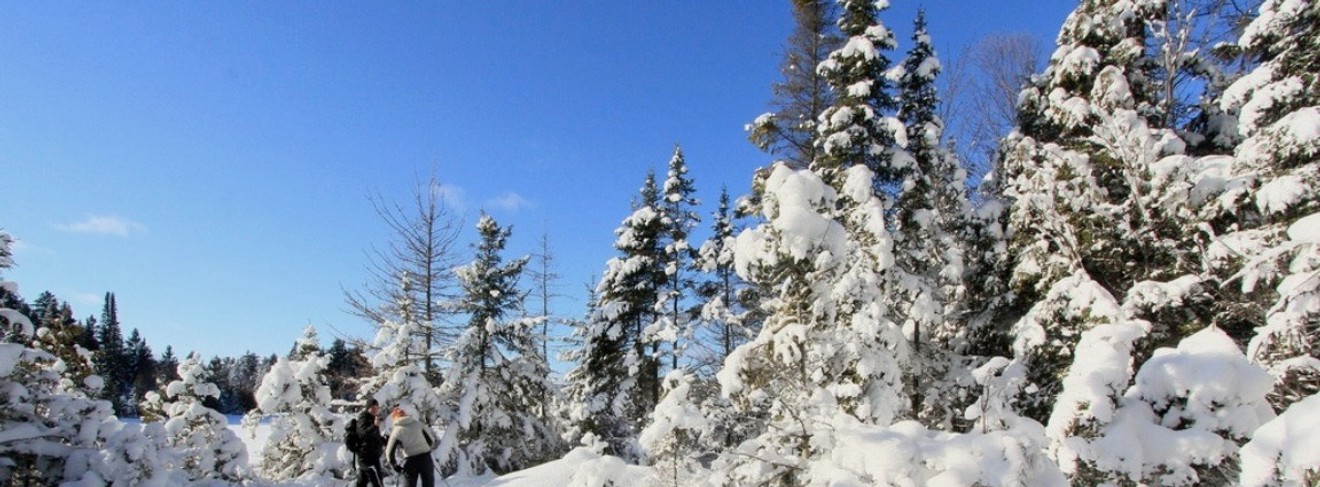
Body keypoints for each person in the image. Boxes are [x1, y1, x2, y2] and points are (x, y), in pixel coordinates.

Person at [385, 407, 437, 487]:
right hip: (425, 457)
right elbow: (431, 440)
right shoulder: (418, 424)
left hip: (410, 461)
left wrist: (395, 466)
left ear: (394, 419)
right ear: (405, 415)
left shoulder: (396, 432)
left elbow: (389, 453)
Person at [354, 398, 387, 487]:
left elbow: (374, 437)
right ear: (368, 408)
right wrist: (375, 426)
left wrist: (385, 441)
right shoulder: (363, 419)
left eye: (377, 408)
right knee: (378, 482)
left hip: (372, 455)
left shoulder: (373, 419)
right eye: (373, 408)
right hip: (367, 456)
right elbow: (363, 434)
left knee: (362, 482)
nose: (375, 410)